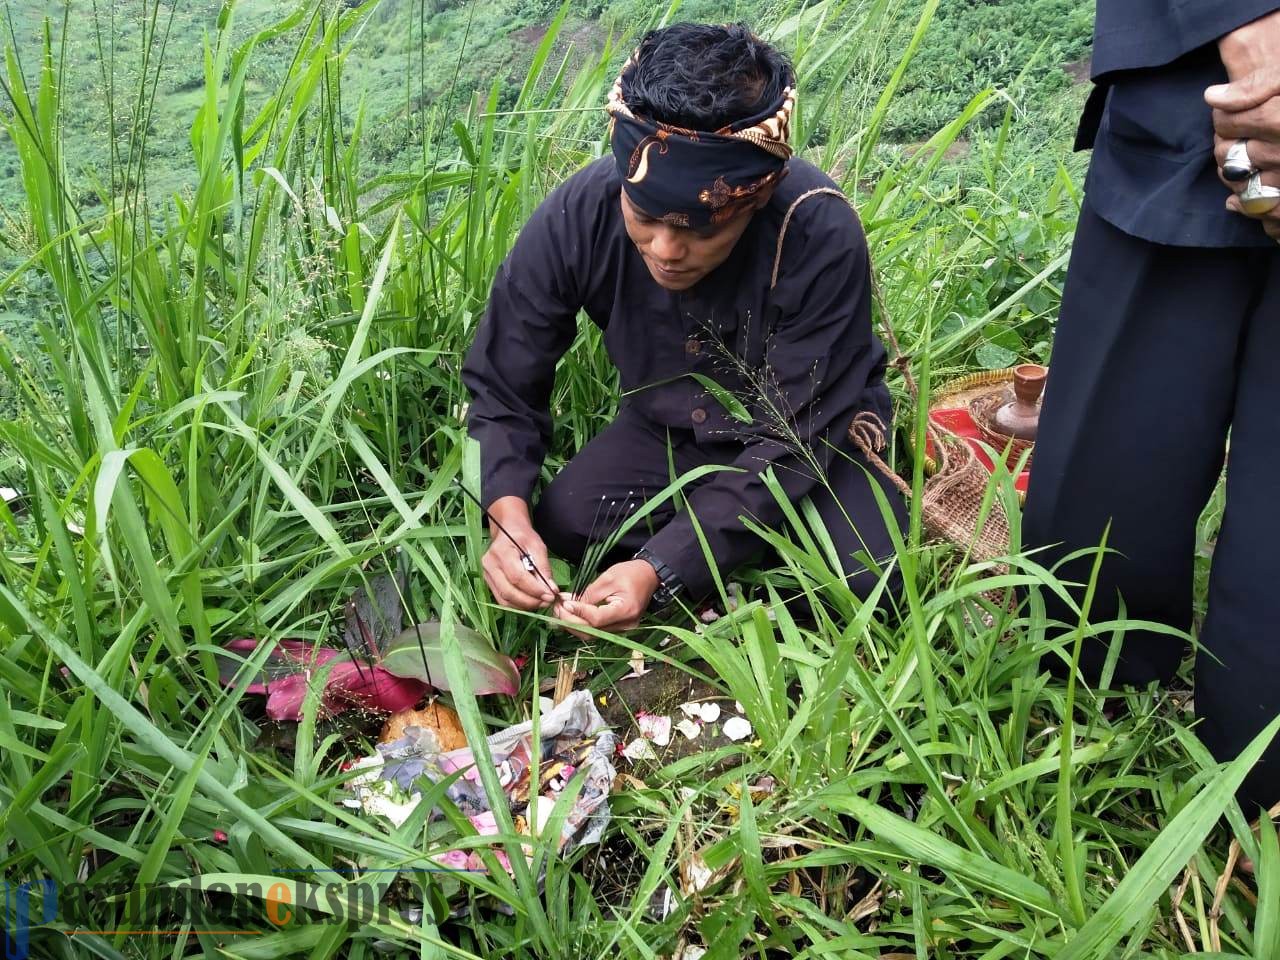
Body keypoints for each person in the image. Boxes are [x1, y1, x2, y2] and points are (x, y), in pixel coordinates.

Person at [462, 23, 906, 635]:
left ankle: (719, 573)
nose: (667, 249)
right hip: (669, 431)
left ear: (755, 198)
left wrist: (658, 567)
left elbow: (796, 436)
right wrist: (507, 522)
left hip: (810, 438)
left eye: (701, 230)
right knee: (566, 520)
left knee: (870, 574)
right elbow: (503, 383)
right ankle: (726, 559)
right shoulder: (579, 214)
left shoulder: (815, 228)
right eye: (643, 217)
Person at [1023, 3, 1280, 809]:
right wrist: (1251, 31)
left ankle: (1258, 787)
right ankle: (1097, 719)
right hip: (1194, 101)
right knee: (1099, 520)